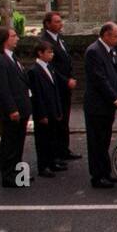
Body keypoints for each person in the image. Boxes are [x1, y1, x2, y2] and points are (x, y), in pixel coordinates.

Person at [83, 21, 117, 188]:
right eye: (116, 36)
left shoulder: (110, 51)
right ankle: (97, 177)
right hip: (96, 105)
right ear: (106, 35)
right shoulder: (93, 52)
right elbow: (100, 80)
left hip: (106, 105)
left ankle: (105, 172)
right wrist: (116, 99)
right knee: (96, 142)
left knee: (104, 140)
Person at [0, 26, 32, 188]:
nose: (17, 38)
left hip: (22, 107)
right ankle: (8, 176)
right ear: (5, 39)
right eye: (14, 36)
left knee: (18, 143)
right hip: (12, 110)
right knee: (9, 143)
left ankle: (18, 172)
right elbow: (2, 88)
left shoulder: (13, 57)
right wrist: (12, 109)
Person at [42, 11, 81, 160]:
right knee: (57, 120)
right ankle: (56, 152)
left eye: (60, 21)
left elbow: (67, 61)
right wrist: (66, 80)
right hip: (56, 87)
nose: (60, 24)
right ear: (47, 24)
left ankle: (64, 149)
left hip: (65, 87)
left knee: (64, 119)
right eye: (57, 22)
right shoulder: (45, 41)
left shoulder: (60, 40)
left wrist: (72, 76)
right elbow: (51, 67)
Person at [28, 40, 65, 178]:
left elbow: (55, 91)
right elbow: (36, 95)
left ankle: (52, 162)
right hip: (43, 112)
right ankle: (43, 166)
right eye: (49, 52)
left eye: (52, 52)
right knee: (43, 140)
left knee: (52, 138)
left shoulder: (50, 68)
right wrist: (41, 114)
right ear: (40, 53)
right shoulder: (34, 71)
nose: (52, 54)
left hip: (53, 110)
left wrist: (58, 110)